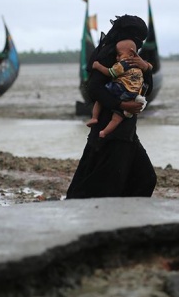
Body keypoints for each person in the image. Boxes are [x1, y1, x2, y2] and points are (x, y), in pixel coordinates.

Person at [66, 15, 156, 199]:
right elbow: (94, 88)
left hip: (127, 134)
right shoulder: (109, 54)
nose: (137, 44)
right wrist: (122, 104)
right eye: (137, 38)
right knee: (103, 186)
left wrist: (146, 68)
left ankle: (126, 219)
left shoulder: (135, 58)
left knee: (145, 179)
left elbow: (145, 88)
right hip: (110, 135)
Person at [86, 39, 150, 138]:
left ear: (131, 55)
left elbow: (109, 72)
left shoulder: (123, 64)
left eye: (119, 55)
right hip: (133, 95)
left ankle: (94, 117)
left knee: (100, 99)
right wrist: (146, 66)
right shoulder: (140, 65)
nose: (117, 57)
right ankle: (104, 132)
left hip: (119, 88)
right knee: (117, 118)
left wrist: (98, 66)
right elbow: (149, 74)